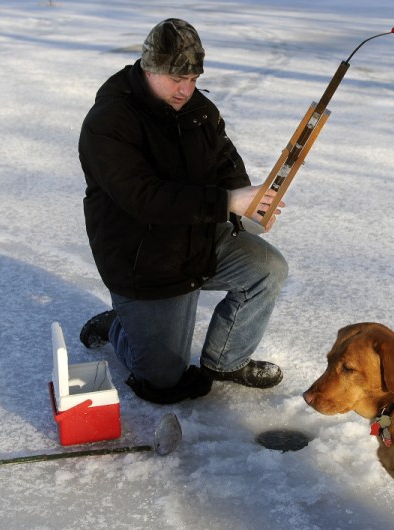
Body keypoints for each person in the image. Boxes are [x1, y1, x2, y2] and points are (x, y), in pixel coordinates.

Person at [77, 18, 288, 405]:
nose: (186, 90)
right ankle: (120, 327)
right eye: (177, 79)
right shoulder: (109, 122)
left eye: (193, 78)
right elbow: (144, 198)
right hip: (143, 258)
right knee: (162, 381)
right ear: (149, 67)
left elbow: (226, 164)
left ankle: (225, 361)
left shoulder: (198, 109)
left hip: (197, 238)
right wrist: (225, 203)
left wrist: (246, 207)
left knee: (268, 269)